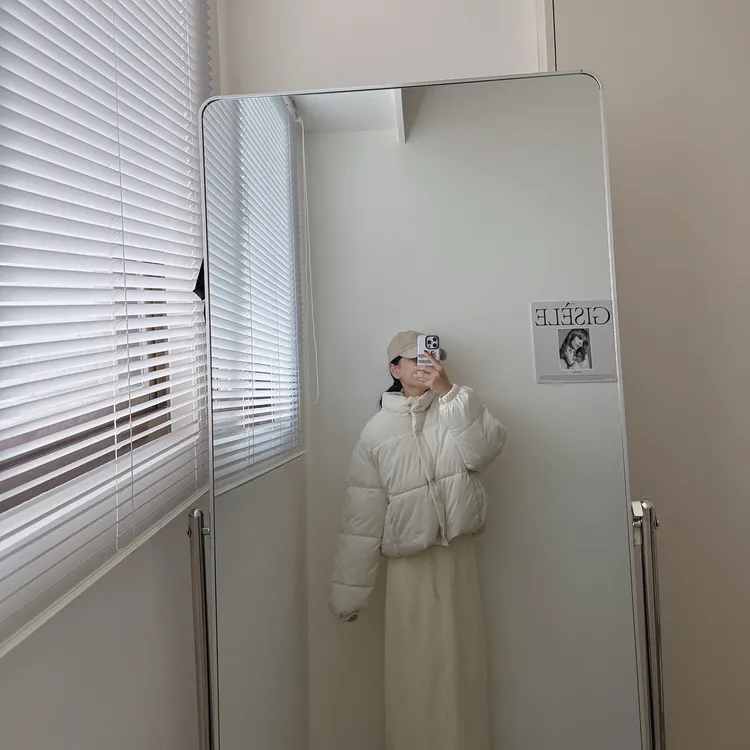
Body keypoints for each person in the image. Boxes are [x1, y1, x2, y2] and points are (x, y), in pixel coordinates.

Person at [329, 330, 506, 750]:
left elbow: (484, 451)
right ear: (395, 369)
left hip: (457, 559)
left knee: (462, 666)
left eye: (432, 357)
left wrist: (450, 393)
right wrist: (348, 595)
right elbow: (362, 516)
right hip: (408, 568)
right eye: (415, 359)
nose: (427, 364)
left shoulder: (457, 408)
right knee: (415, 669)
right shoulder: (375, 432)